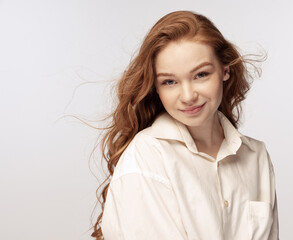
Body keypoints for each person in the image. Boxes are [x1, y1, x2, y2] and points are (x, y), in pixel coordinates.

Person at [91, 10, 279, 240]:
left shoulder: (256, 156)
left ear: (225, 70)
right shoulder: (146, 157)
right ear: (156, 88)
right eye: (170, 81)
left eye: (200, 75)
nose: (188, 96)